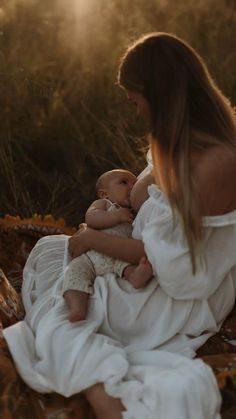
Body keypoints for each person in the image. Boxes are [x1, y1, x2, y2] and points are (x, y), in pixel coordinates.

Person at [3, 32, 236, 419]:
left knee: (63, 325)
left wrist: (94, 239)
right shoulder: (184, 141)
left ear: (159, 94)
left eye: (137, 102)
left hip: (177, 293)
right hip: (149, 264)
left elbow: (176, 268)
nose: (138, 113)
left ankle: (105, 396)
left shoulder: (216, 164)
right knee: (54, 256)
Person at [63, 168, 153, 322]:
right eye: (124, 182)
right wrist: (115, 216)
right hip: (91, 257)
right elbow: (91, 219)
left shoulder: (136, 212)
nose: (132, 186)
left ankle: (135, 276)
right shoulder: (104, 204)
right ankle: (77, 306)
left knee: (124, 266)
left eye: (135, 183)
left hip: (117, 254)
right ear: (104, 194)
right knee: (73, 273)